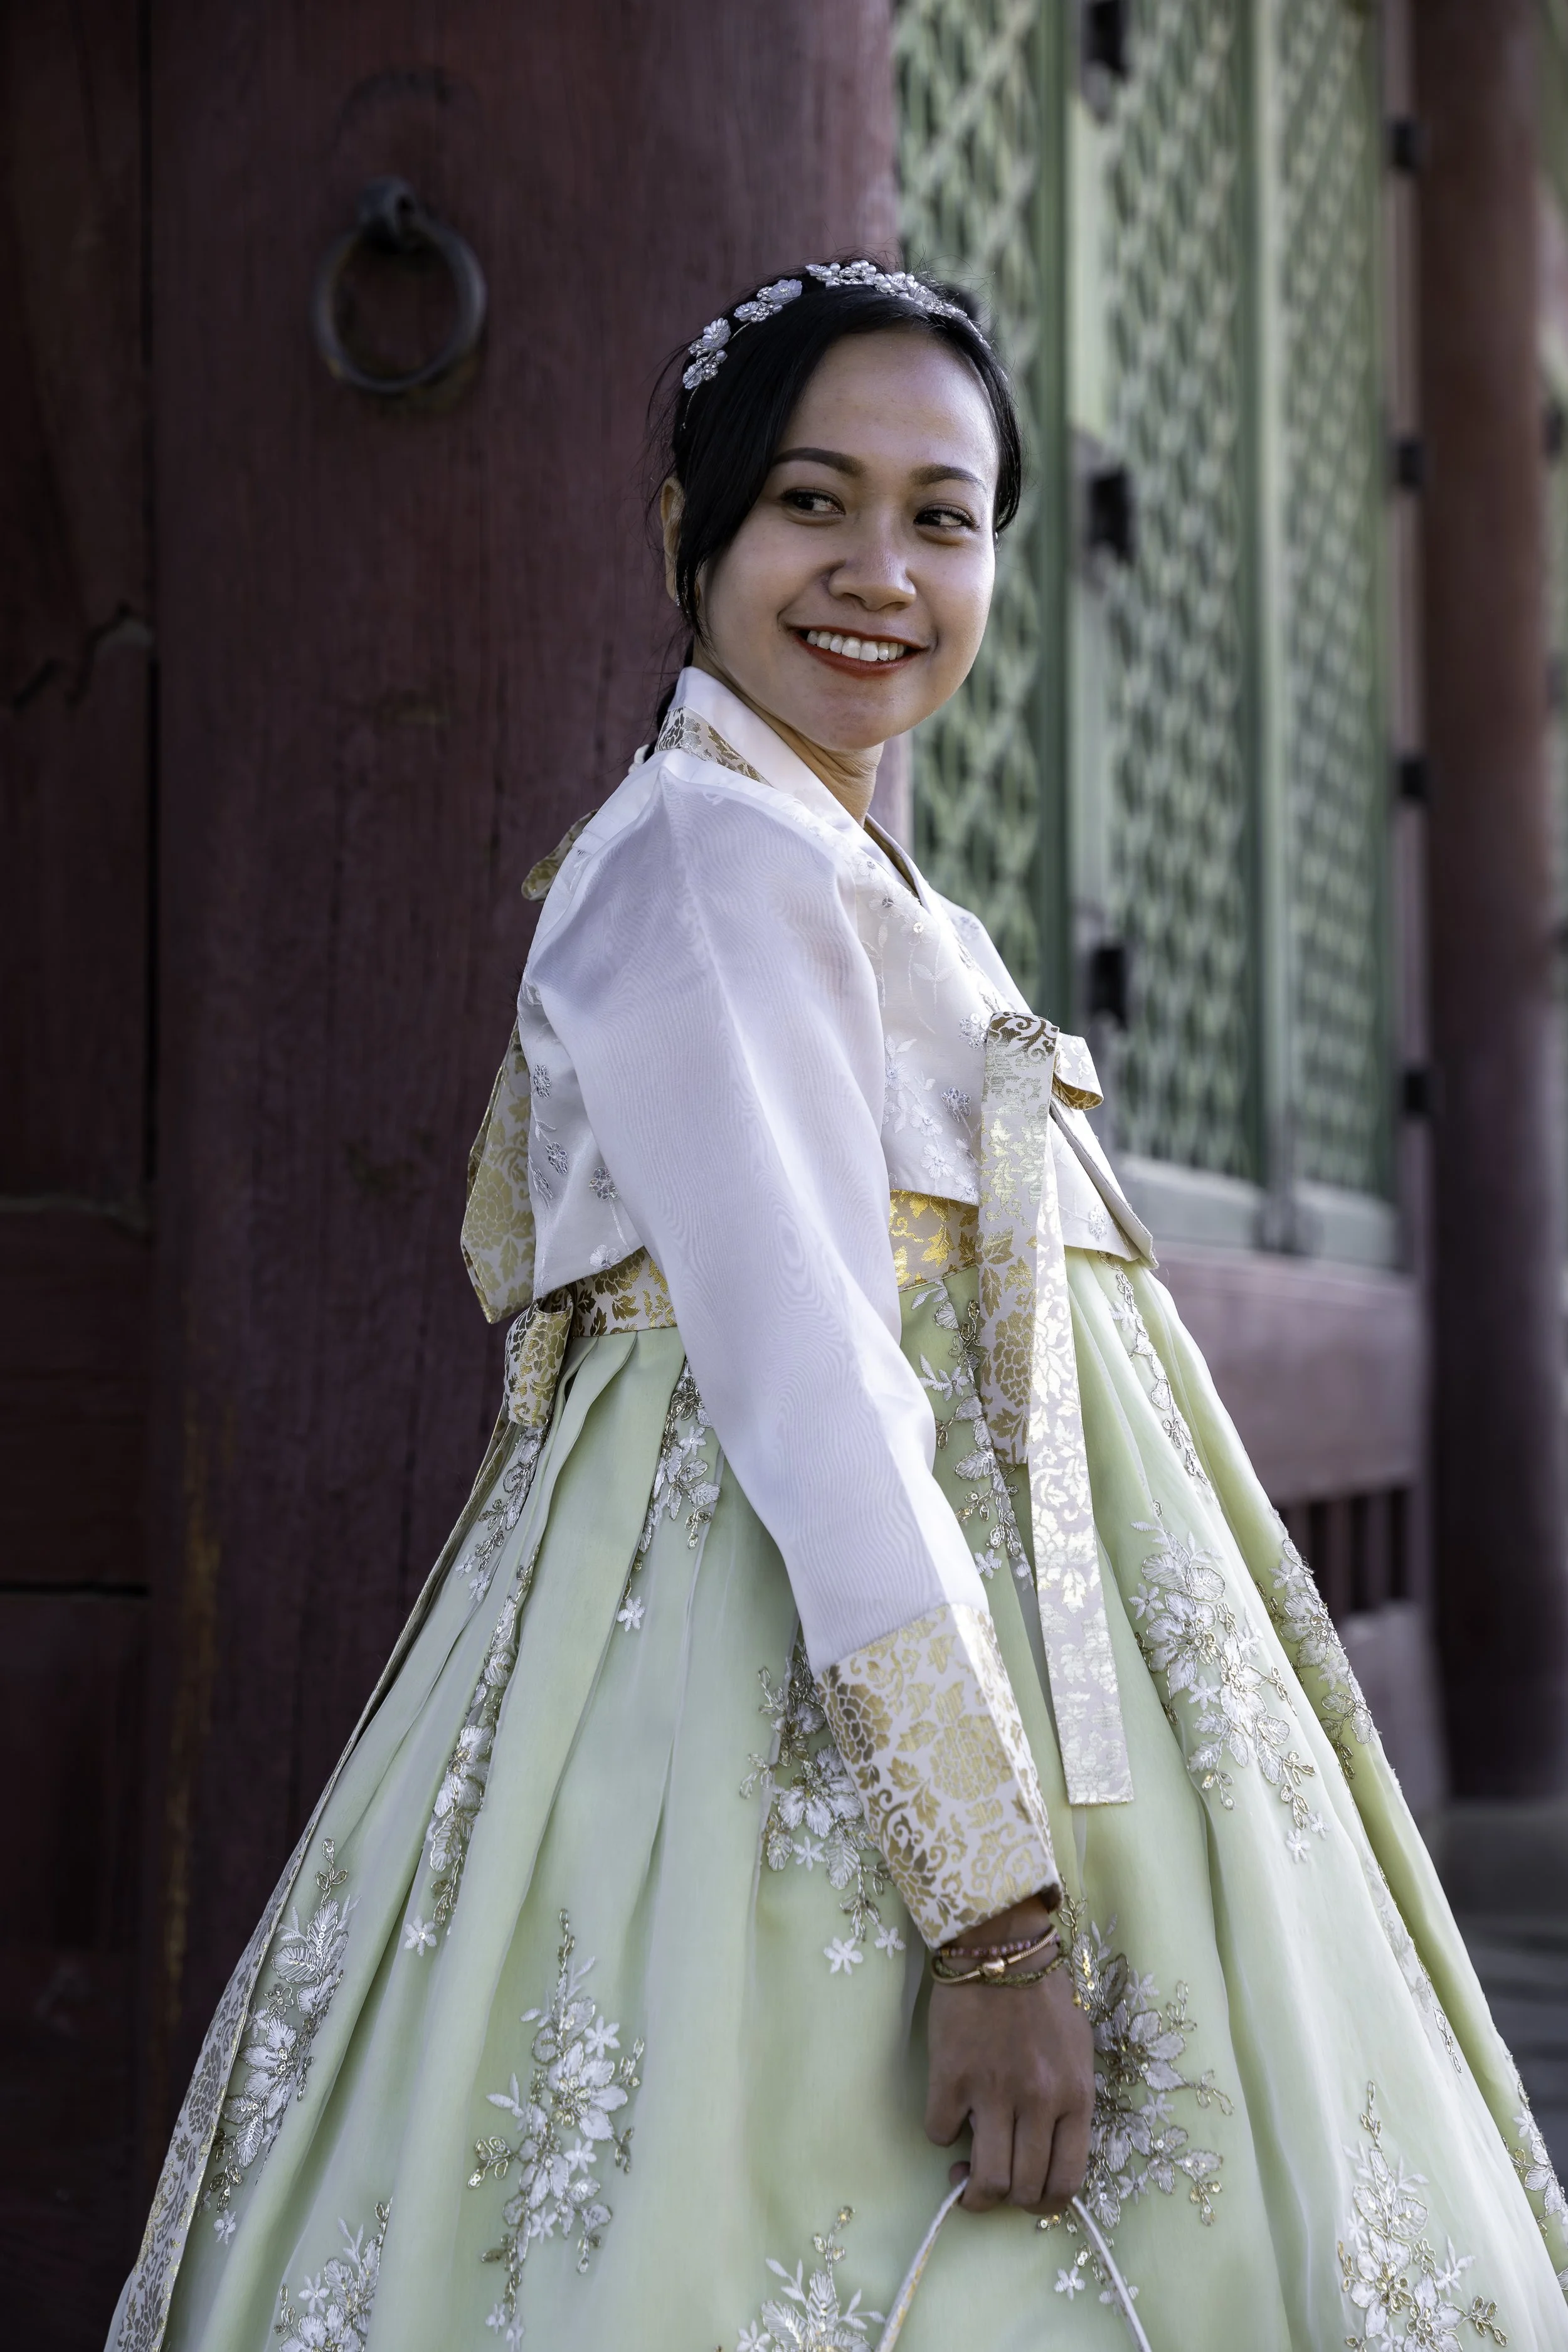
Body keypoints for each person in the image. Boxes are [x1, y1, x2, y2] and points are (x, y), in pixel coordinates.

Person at [110, 259, 1568, 2352]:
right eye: (811, 501)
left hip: (1029, 1672)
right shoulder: (703, 863)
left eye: (942, 516)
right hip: (770, 1668)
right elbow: (813, 1389)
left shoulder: (853, 870)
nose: (879, 570)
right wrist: (988, 1921)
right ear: (692, 530)